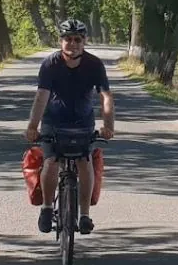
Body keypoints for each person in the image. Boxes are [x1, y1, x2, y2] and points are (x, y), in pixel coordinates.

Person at [25, 19, 114, 234]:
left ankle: (84, 215)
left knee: (85, 163)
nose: (72, 44)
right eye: (67, 39)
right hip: (53, 122)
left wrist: (108, 126)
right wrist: (32, 126)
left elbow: (106, 97)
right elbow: (41, 97)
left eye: (77, 39)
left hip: (83, 124)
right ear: (60, 41)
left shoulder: (94, 64)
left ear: (84, 42)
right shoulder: (50, 64)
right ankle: (47, 208)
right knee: (51, 161)